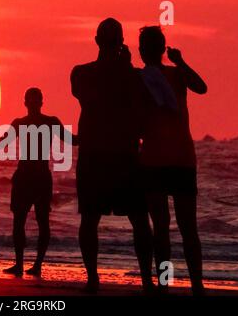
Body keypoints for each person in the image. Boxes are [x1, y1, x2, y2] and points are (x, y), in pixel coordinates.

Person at [70, 18, 154, 293]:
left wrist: (122, 66)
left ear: (96, 41)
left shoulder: (82, 73)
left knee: (91, 218)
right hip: (123, 154)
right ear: (120, 43)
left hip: (98, 155)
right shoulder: (131, 75)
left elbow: (88, 93)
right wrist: (125, 66)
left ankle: (93, 278)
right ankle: (145, 280)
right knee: (139, 218)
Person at [0, 88, 78, 277]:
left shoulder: (48, 122)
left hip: (37, 177)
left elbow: (74, 141)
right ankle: (21, 264)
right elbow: (0, 145)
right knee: (21, 222)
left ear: (38, 103)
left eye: (35, 101)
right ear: (27, 103)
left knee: (39, 222)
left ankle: (35, 265)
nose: (33, 104)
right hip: (27, 177)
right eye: (32, 101)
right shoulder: (27, 123)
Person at [138, 26, 207, 295]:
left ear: (148, 49)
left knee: (165, 228)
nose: (143, 50)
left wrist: (179, 62)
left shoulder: (167, 75)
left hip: (165, 160)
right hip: (172, 159)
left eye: (144, 45)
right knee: (182, 227)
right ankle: (193, 284)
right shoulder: (159, 76)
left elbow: (202, 88)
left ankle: (172, 283)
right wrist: (180, 62)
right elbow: (201, 87)